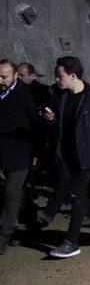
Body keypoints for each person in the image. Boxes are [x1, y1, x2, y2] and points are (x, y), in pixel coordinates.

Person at [40, 56, 90, 258]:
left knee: (77, 196)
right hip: (67, 156)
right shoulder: (60, 96)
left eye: (60, 76)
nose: (57, 79)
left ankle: (71, 242)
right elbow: (57, 127)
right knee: (66, 188)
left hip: (89, 156)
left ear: (72, 75)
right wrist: (50, 119)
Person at [0, 59, 38, 255]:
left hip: (20, 154)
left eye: (4, 76)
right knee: (19, 193)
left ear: (15, 76)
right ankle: (32, 224)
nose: (1, 80)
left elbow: (34, 125)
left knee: (11, 194)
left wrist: (36, 153)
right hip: (3, 153)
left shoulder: (25, 95)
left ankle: (3, 237)